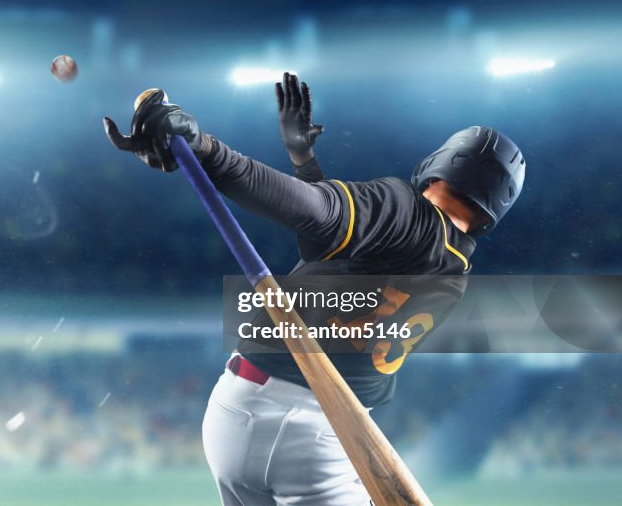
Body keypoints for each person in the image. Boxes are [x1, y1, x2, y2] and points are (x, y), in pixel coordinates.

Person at [103, 74, 525, 505]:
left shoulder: (405, 212)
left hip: (246, 411)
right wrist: (302, 161)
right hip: (311, 433)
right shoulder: (454, 267)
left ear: (443, 161)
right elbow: (337, 251)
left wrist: (205, 148)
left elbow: (318, 217)